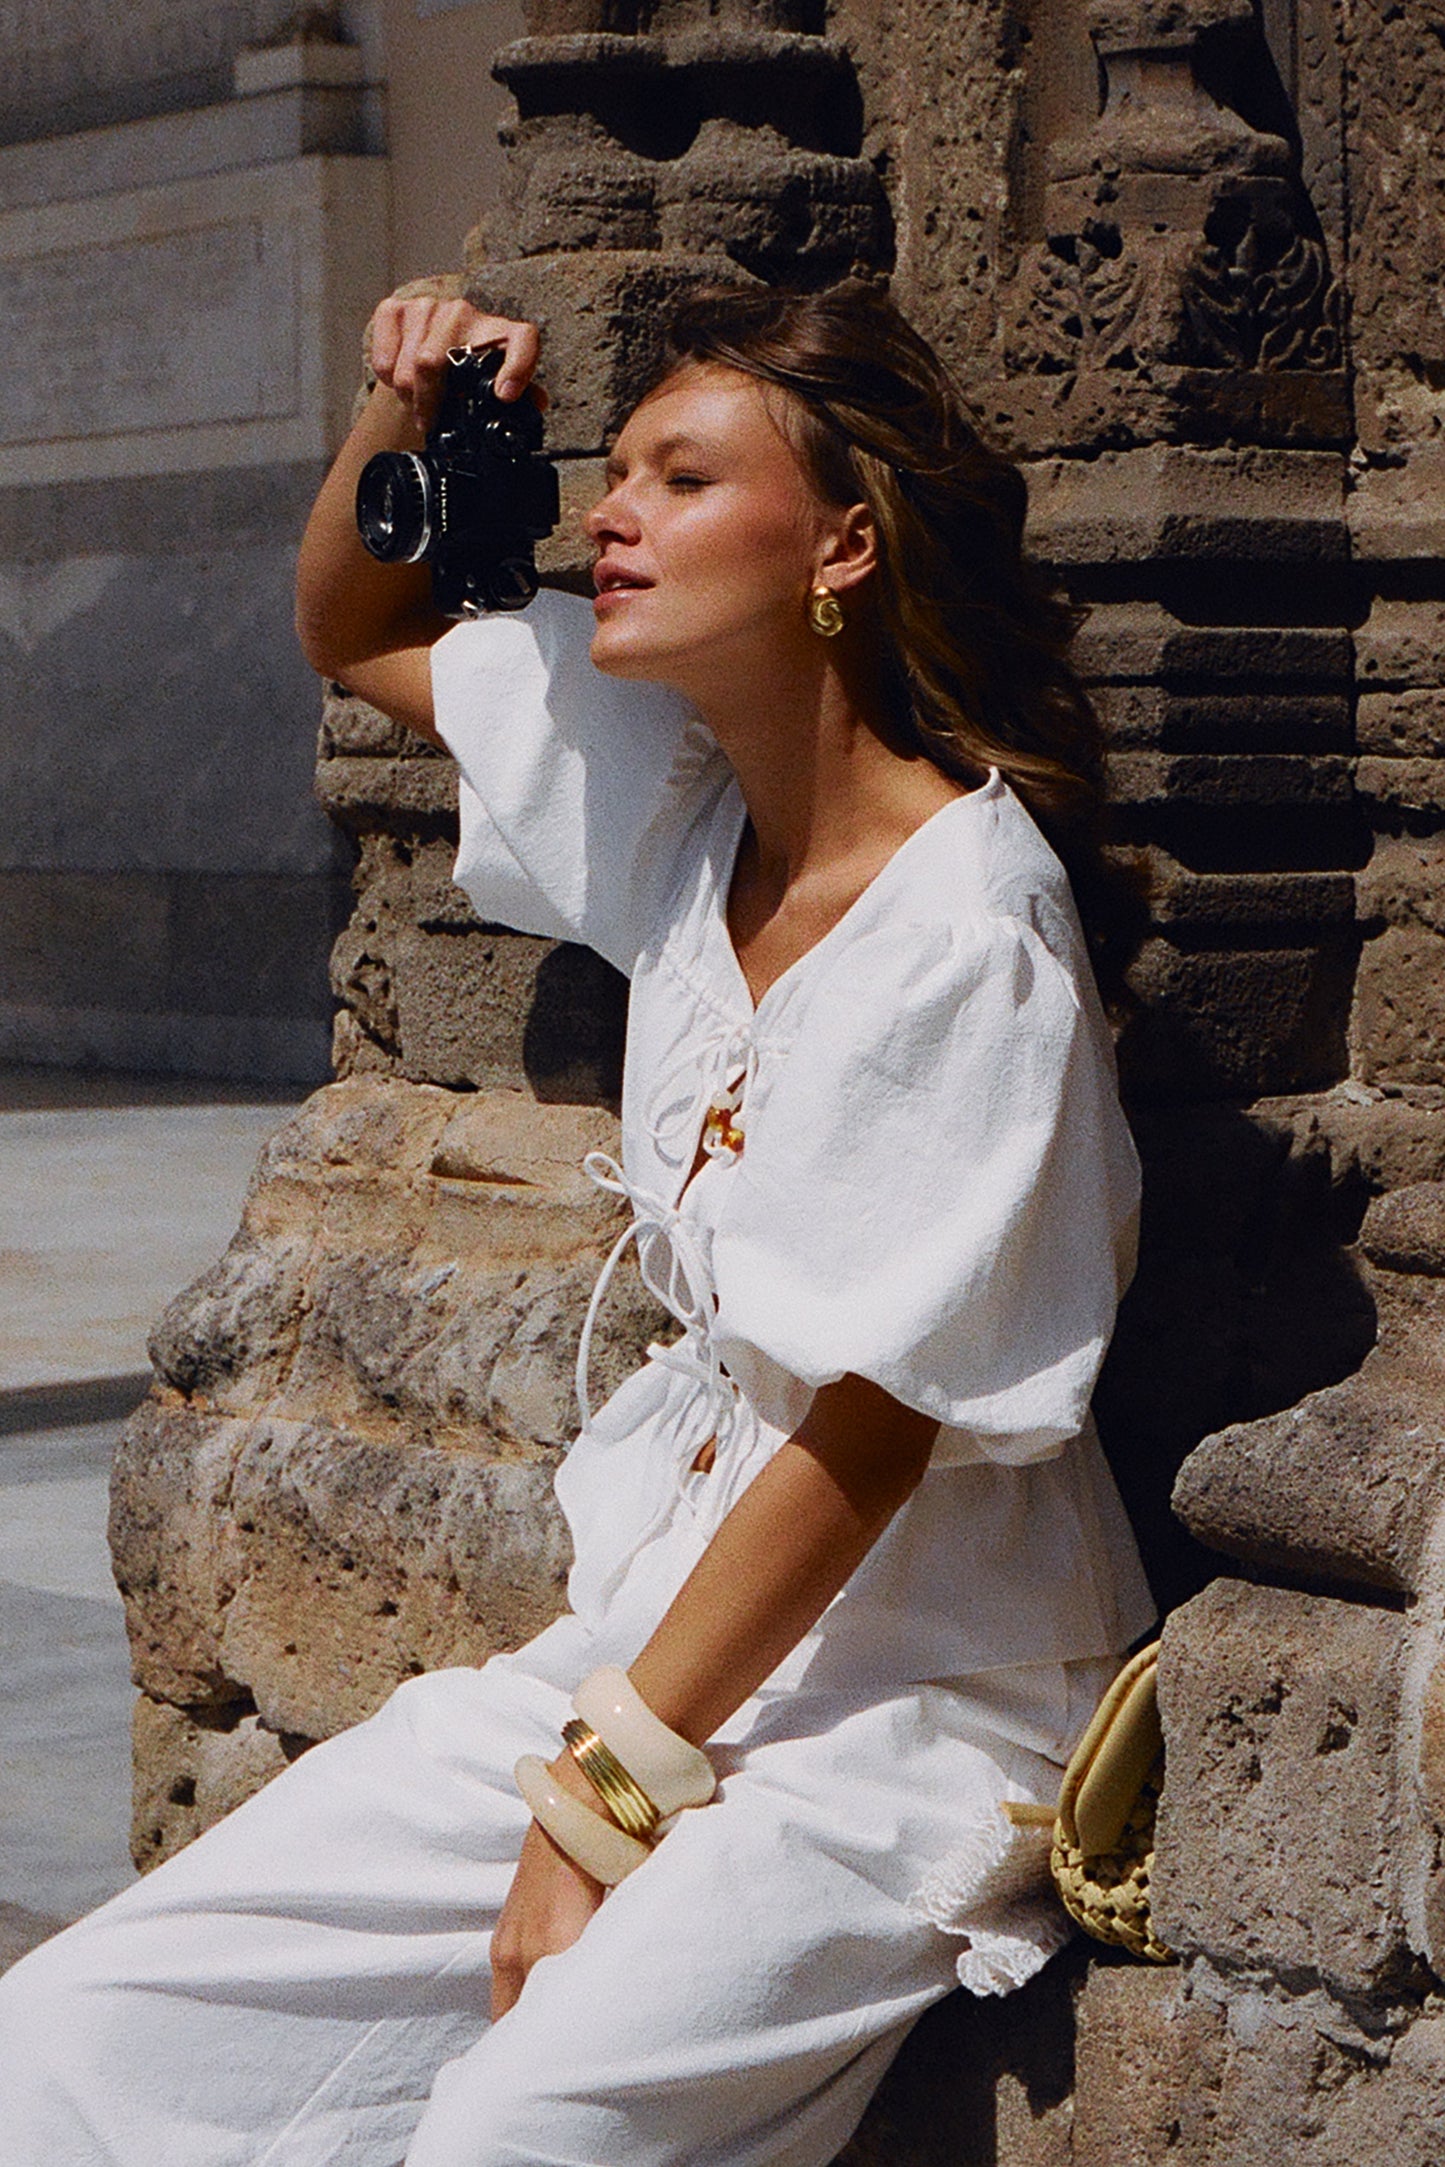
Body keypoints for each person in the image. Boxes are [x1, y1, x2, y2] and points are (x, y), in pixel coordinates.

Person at [0, 279, 1156, 2165]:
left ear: (842, 543)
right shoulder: (683, 801)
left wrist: (596, 1807)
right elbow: (353, 624)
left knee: (513, 2143)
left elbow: (867, 1431)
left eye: (678, 480)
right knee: (70, 2037)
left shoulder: (966, 935)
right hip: (632, 1651)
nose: (607, 514)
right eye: (610, 473)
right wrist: (412, 398)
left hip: (903, 1707)